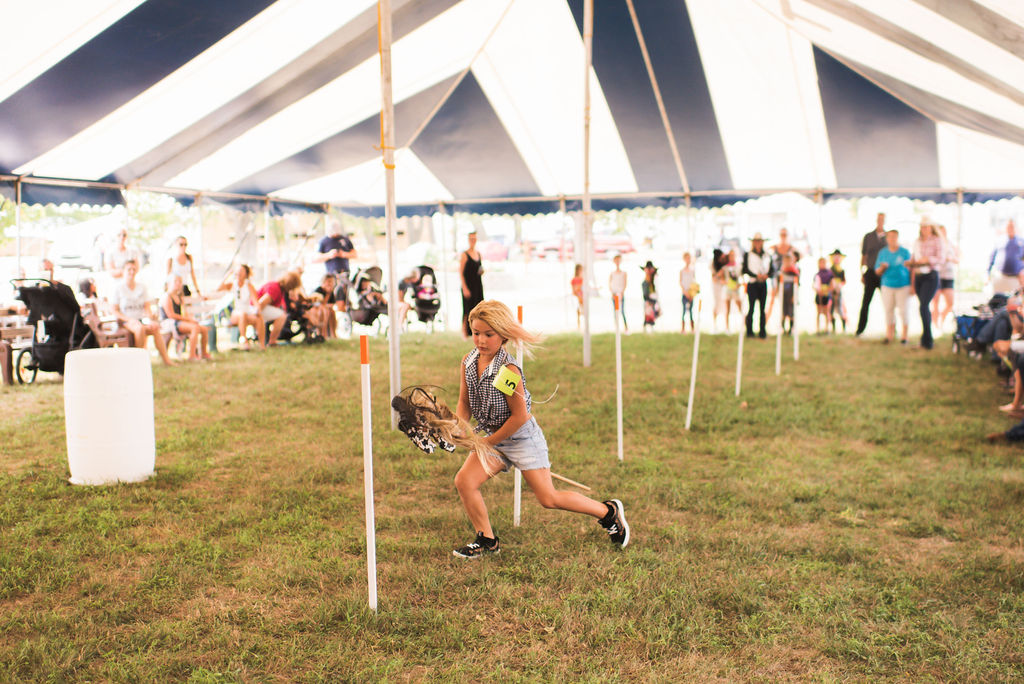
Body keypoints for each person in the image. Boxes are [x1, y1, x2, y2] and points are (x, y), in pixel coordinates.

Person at [452, 300, 630, 557]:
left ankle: (608, 512)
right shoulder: (468, 362)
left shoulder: (507, 370)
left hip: (521, 438)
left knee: (548, 499)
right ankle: (487, 540)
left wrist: (486, 443)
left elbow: (520, 417)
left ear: (503, 335)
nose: (480, 340)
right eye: (476, 332)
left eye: (488, 334)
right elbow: (464, 401)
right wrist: (460, 425)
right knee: (464, 481)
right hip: (492, 436)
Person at [112, 259, 175, 365]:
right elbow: (114, 310)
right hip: (126, 322)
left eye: (134, 269)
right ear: (123, 271)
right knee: (139, 328)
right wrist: (129, 320)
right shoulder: (118, 288)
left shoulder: (142, 287)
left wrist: (151, 318)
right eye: (129, 269)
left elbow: (147, 307)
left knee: (154, 328)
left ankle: (166, 360)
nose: (131, 271)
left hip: (140, 320)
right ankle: (139, 360)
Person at [906, 220, 945, 350]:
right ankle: (925, 339)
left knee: (923, 306)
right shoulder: (917, 241)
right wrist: (911, 263)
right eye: (922, 227)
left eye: (926, 227)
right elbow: (915, 258)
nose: (924, 229)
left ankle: (928, 341)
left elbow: (941, 258)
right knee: (923, 307)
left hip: (930, 274)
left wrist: (928, 260)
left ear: (931, 227)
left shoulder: (937, 240)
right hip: (918, 275)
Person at [161, 274, 211, 361]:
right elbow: (171, 315)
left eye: (180, 282)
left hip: (180, 322)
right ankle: (192, 356)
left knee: (203, 329)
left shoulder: (179, 297)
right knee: (195, 328)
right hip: (169, 323)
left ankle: (204, 353)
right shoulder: (166, 296)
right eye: (175, 281)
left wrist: (191, 320)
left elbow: (185, 313)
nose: (178, 283)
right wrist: (188, 320)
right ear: (169, 283)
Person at [874, 230, 912, 345]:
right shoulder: (883, 253)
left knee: (903, 310)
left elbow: (911, 269)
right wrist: (883, 268)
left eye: (894, 237)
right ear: (887, 239)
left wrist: (912, 285)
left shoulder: (904, 252)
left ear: (897, 238)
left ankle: (904, 336)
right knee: (888, 310)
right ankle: (889, 335)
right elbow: (877, 271)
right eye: (890, 237)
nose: (892, 239)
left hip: (903, 285)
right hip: (887, 285)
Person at [216, 264, 265, 350]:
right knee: (242, 314)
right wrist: (227, 275)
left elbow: (255, 301)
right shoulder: (233, 284)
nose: (239, 273)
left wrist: (258, 310)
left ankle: (262, 345)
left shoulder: (249, 285)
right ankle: (245, 342)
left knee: (259, 318)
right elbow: (218, 288)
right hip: (236, 313)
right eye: (238, 271)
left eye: (241, 271)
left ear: (246, 274)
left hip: (247, 311)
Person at [314, 222, 357, 313]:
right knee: (336, 294)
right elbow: (316, 258)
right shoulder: (324, 241)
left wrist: (343, 254)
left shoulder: (345, 239)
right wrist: (329, 255)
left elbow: (354, 254)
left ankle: (345, 311)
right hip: (332, 274)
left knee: (344, 294)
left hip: (345, 273)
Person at [857, 213, 888, 336]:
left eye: (882, 219)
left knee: (888, 302)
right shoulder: (868, 237)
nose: (880, 221)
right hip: (870, 272)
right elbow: (864, 255)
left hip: (884, 274)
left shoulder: (888, 237)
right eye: (879, 219)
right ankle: (860, 329)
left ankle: (891, 329)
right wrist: (862, 272)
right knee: (865, 302)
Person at [257, 271, 302, 346]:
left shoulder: (280, 289)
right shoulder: (275, 288)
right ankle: (272, 341)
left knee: (281, 314)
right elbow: (261, 303)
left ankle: (272, 341)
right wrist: (257, 317)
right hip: (256, 309)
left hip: (260, 309)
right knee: (281, 316)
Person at [742, 233, 773, 338]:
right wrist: (756, 275)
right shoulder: (748, 254)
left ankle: (762, 331)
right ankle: (749, 331)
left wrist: (766, 275)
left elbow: (772, 270)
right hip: (753, 283)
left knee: (762, 308)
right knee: (751, 308)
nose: (758, 243)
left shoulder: (767, 255)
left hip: (763, 284)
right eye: (756, 241)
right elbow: (745, 269)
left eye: (760, 241)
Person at [932, 224, 958, 331]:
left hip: (948, 275)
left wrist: (950, 259)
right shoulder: (934, 244)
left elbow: (958, 258)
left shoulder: (951, 244)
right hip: (937, 275)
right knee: (935, 303)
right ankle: (935, 326)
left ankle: (942, 317)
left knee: (950, 303)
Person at [988, 219, 1024, 295]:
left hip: (1018, 275)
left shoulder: (1021, 241)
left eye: (1012, 227)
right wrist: (987, 272)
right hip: (1000, 274)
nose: (1010, 229)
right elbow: (991, 257)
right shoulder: (999, 240)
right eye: (1008, 227)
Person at [459, 231, 485, 338]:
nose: (472, 241)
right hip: (468, 285)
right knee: (467, 310)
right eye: (471, 239)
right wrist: (464, 287)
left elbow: (479, 268)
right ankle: (464, 333)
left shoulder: (478, 254)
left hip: (477, 285)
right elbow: (460, 272)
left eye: (474, 239)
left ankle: (476, 331)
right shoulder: (464, 255)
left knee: (478, 309)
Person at [778, 253, 800, 335]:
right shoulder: (782, 271)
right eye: (785, 261)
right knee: (783, 312)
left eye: (789, 261)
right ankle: (783, 329)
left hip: (791, 294)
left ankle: (791, 329)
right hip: (783, 293)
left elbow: (797, 285)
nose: (787, 263)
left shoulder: (795, 272)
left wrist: (795, 296)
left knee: (791, 312)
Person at [812, 257, 834, 334]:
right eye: (820, 263)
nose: (822, 264)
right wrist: (818, 291)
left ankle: (827, 329)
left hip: (827, 295)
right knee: (818, 312)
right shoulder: (817, 275)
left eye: (823, 263)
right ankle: (818, 329)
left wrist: (826, 290)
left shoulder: (830, 274)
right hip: (819, 295)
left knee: (826, 312)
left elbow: (832, 285)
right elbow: (814, 285)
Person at [724, 250, 743, 333]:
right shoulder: (725, 267)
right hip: (728, 289)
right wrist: (726, 282)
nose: (732, 257)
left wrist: (739, 285)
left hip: (736, 290)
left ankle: (744, 325)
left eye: (733, 255)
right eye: (730, 255)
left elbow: (741, 278)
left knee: (740, 307)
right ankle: (727, 328)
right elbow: (721, 278)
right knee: (727, 309)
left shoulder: (738, 267)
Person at [829, 249, 848, 333]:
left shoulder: (841, 270)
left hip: (839, 291)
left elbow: (844, 281)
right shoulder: (830, 270)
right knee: (832, 309)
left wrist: (838, 286)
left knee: (840, 308)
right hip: (831, 291)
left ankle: (844, 328)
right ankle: (833, 328)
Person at [608, 253, 628, 331]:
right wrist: (612, 292)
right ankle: (617, 327)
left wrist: (622, 292)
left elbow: (625, 283)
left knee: (622, 311)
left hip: (620, 294)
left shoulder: (624, 273)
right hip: (614, 294)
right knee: (615, 311)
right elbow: (610, 283)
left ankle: (626, 327)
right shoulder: (612, 273)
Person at [679, 252, 697, 333]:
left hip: (691, 293)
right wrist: (685, 292)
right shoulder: (682, 271)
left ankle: (692, 328)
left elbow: (694, 282)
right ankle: (683, 329)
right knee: (683, 311)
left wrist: (692, 293)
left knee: (691, 311)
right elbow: (680, 282)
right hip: (685, 293)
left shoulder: (692, 270)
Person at [710, 249, 728, 332]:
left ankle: (726, 326)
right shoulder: (713, 265)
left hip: (723, 287)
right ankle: (714, 325)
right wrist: (719, 275)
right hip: (716, 287)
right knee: (717, 305)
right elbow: (714, 278)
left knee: (725, 306)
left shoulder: (724, 265)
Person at [640, 261, 660, 331]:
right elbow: (645, 295)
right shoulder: (645, 283)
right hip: (648, 301)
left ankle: (650, 328)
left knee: (652, 315)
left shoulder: (653, 281)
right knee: (648, 315)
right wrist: (650, 300)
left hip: (652, 301)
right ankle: (646, 328)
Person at [571, 264, 584, 329]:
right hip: (577, 297)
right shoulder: (574, 280)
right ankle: (579, 326)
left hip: (582, 297)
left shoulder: (583, 279)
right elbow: (574, 290)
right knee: (578, 312)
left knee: (583, 311)